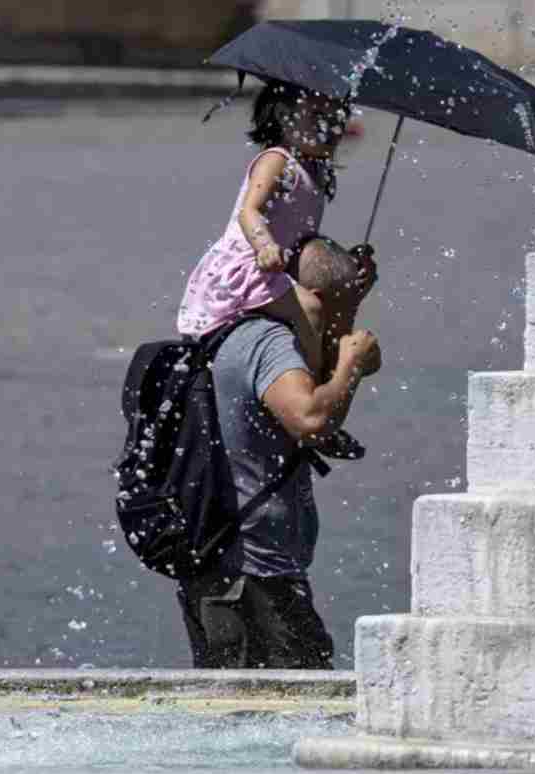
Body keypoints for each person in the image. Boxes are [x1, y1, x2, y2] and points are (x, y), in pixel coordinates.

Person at [176, 236, 380, 669]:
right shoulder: (267, 343)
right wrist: (351, 364)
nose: (343, 327)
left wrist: (350, 313)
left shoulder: (249, 334)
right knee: (291, 709)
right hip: (249, 577)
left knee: (250, 715)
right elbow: (311, 419)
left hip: (243, 574)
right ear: (319, 300)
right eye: (342, 309)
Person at [178, 79, 357, 378]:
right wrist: (264, 245)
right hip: (249, 266)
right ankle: (309, 386)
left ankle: (328, 373)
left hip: (276, 267)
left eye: (338, 118)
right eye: (317, 117)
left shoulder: (314, 171)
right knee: (310, 310)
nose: (330, 126)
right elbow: (250, 211)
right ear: (283, 117)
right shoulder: (277, 160)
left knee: (331, 304)